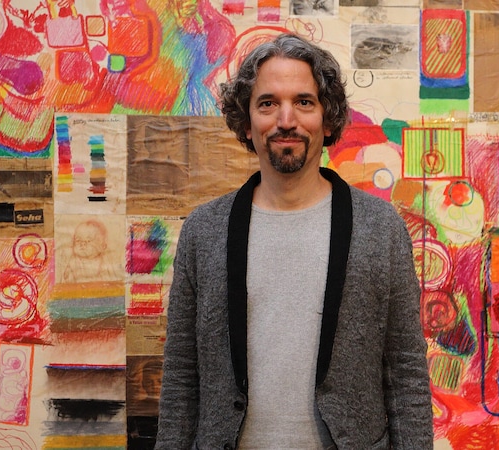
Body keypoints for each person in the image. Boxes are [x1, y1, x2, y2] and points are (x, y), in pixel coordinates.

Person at [155, 33, 432, 449]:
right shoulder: (203, 230)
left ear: (328, 118)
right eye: (268, 103)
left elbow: (406, 372)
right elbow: (181, 374)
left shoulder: (380, 227)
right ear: (247, 123)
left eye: (304, 102)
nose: (287, 120)